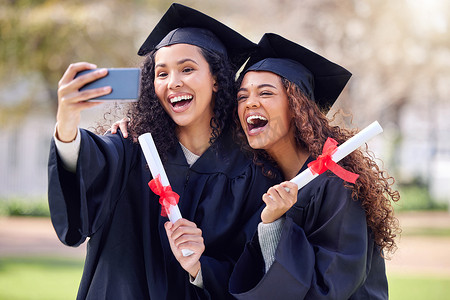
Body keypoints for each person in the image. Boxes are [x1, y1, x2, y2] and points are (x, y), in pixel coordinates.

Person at [48, 4, 279, 300]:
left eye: (187, 69)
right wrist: (66, 123)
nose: (173, 83)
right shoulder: (131, 148)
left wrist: (199, 268)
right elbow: (88, 169)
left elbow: (251, 270)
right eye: (161, 73)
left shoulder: (249, 172)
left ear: (217, 79)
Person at [226, 33, 400, 299]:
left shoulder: (336, 185)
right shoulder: (262, 178)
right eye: (242, 96)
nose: (250, 102)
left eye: (266, 93)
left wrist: (274, 224)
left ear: (296, 107)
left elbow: (329, 290)